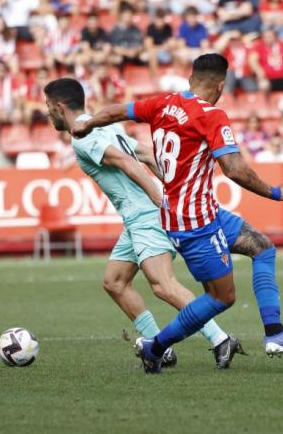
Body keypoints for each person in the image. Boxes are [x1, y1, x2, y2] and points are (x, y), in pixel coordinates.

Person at [74, 54, 283, 373]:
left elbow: (117, 111)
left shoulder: (161, 103)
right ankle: (156, 347)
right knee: (222, 297)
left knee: (262, 248)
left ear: (191, 79)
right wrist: (274, 192)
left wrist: (89, 123)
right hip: (195, 223)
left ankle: (275, 333)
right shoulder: (211, 115)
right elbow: (233, 168)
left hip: (200, 210)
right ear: (220, 85)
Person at [43, 77, 243, 369]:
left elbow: (126, 161)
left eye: (48, 106)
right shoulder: (102, 124)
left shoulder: (83, 135)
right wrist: (175, 186)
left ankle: (220, 339)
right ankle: (159, 345)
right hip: (136, 218)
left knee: (163, 285)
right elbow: (147, 154)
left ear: (60, 106)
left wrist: (159, 198)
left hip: (146, 214)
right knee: (115, 282)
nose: (46, 113)